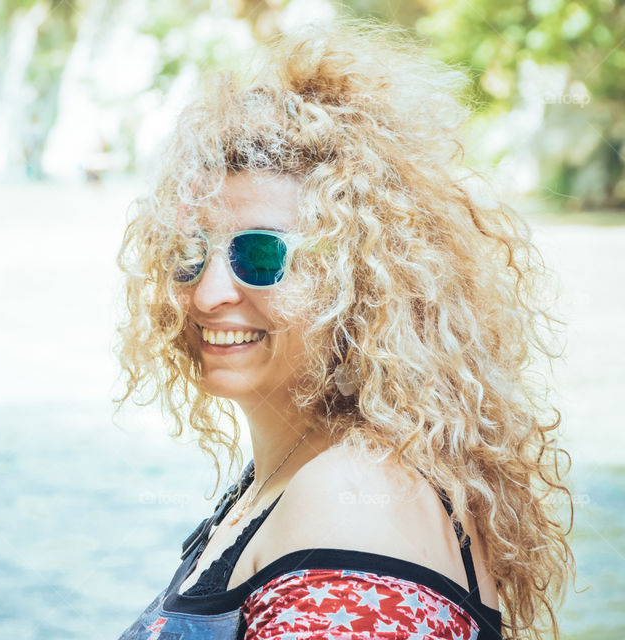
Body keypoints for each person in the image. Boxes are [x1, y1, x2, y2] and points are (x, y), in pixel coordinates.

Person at [113, 17, 575, 640]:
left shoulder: (348, 503)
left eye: (261, 255)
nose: (207, 292)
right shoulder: (294, 478)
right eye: (188, 251)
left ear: (360, 282)